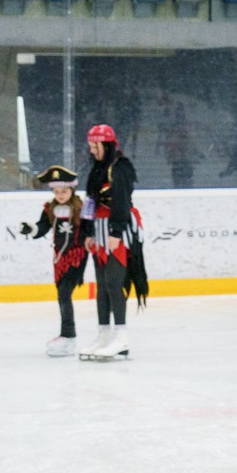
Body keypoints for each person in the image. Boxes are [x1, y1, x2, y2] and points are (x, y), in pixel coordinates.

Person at [80, 124, 142, 362]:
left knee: (114, 283)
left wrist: (116, 231)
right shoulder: (96, 169)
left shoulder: (120, 168)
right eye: (90, 146)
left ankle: (121, 336)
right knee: (102, 286)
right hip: (99, 231)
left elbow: (121, 202)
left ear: (106, 145)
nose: (92, 150)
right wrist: (87, 232)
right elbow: (89, 202)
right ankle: (103, 334)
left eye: (95, 146)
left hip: (118, 231)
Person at [19, 165, 90, 358]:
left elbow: (89, 229)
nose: (60, 195)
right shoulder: (50, 208)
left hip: (77, 256)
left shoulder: (82, 208)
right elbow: (42, 227)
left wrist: (90, 240)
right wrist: (30, 229)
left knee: (65, 293)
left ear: (72, 190)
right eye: (56, 192)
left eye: (64, 191)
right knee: (62, 294)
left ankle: (69, 335)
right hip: (59, 258)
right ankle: (67, 335)